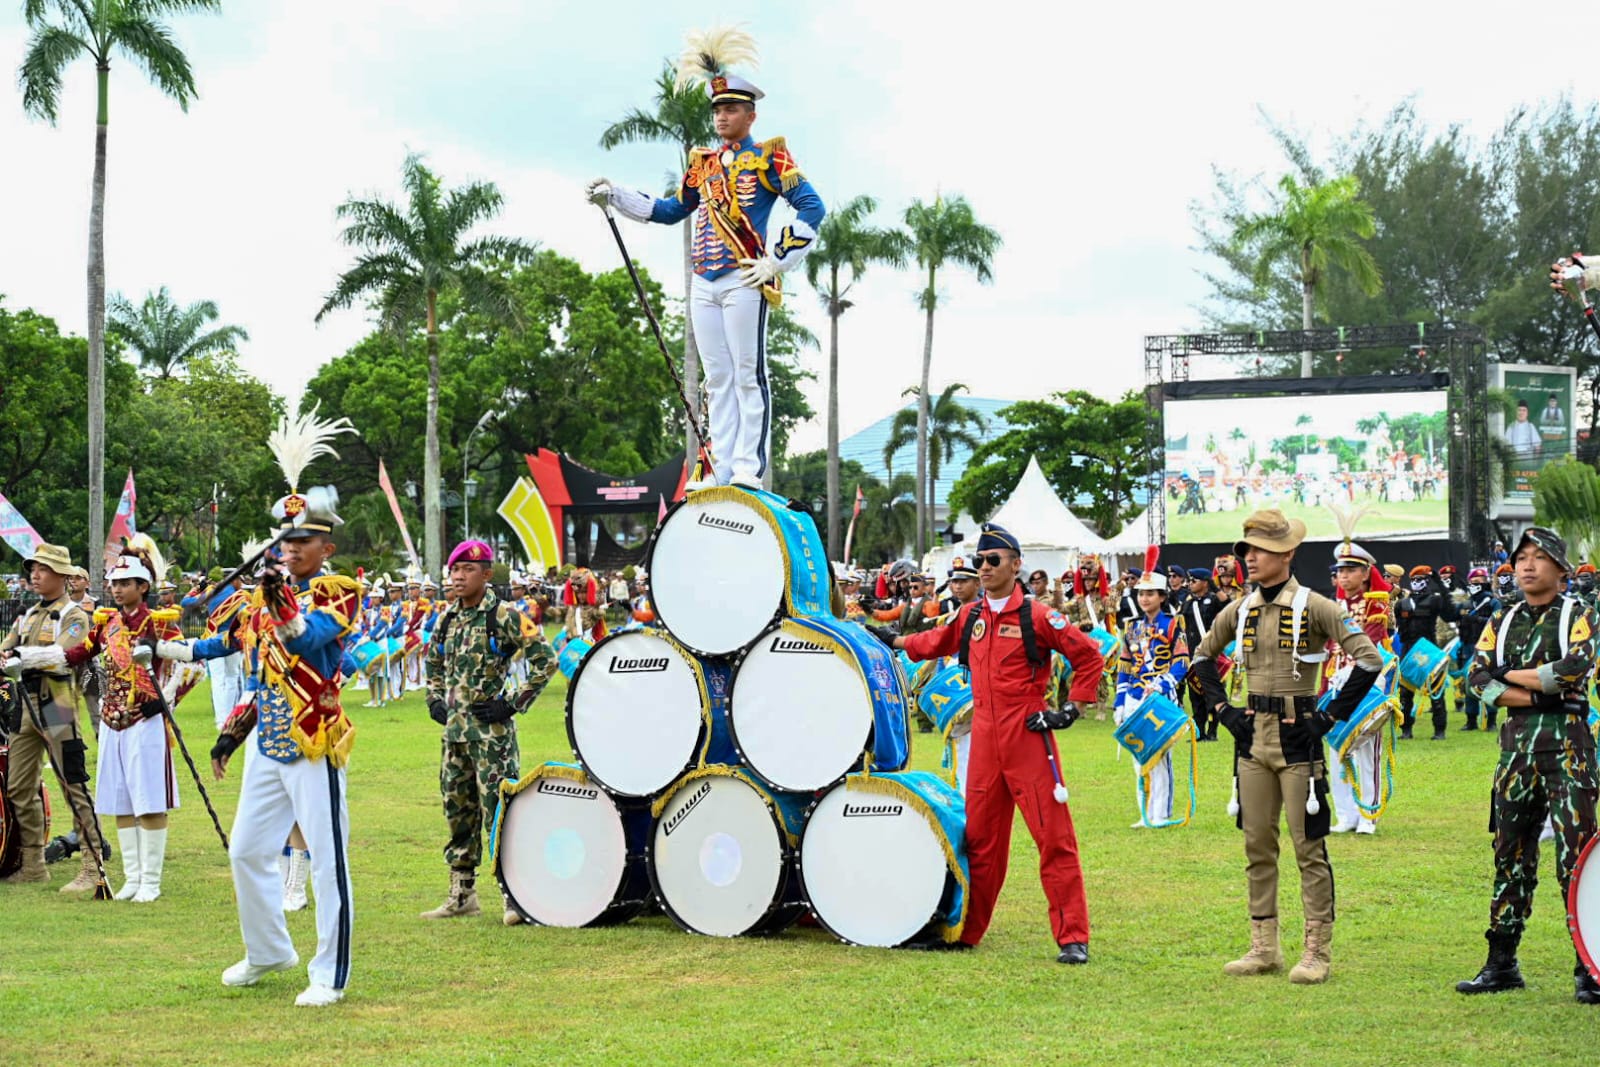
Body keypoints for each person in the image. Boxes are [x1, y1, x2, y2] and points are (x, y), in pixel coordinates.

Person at [158, 412, 360, 1008]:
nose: (292, 549)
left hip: (313, 741)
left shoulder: (337, 589)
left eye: (303, 542)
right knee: (247, 849)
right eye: (286, 541)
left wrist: (277, 599)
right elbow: (234, 645)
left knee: (327, 859)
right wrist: (168, 645)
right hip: (266, 745)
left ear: (326, 546)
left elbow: (303, 639)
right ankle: (269, 950)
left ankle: (330, 973)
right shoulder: (262, 593)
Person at [586, 26, 825, 489]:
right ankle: (717, 470)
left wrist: (776, 260)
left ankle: (747, 470)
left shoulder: (771, 159)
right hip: (704, 280)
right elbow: (674, 209)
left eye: (731, 108)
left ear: (750, 115)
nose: (721, 116)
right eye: (716, 109)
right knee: (715, 380)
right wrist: (615, 197)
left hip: (743, 277)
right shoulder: (704, 165)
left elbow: (813, 207)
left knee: (747, 374)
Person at [890, 523, 1106, 963]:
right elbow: (935, 642)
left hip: (1027, 734)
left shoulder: (1039, 616)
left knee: (1054, 838)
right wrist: (892, 639)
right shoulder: (970, 616)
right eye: (980, 562)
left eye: (993, 561)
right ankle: (966, 931)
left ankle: (1072, 938)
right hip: (985, 737)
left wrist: (1072, 708)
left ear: (1015, 564)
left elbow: (1088, 655)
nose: (984, 569)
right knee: (981, 841)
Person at [1189, 509, 1383, 985]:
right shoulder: (1239, 609)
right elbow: (1200, 656)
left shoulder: (1318, 606)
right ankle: (1264, 947)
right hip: (1252, 739)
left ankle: (1316, 951)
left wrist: (1327, 717)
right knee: (1257, 844)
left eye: (1259, 551)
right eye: (1246, 550)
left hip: (1300, 739)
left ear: (1288, 555)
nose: (1249, 558)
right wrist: (1223, 712)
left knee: (1308, 846)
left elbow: (1369, 659)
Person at [1458, 527, 1600, 1004]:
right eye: (1521, 557)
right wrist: (1533, 689)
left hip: (1569, 751)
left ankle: (1590, 965)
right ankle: (1501, 963)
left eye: (1539, 557)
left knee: (1576, 860)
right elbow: (1476, 679)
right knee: (1510, 854)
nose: (1527, 565)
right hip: (1516, 751)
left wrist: (1510, 678)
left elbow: (1575, 668)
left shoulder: (1579, 615)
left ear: (1560, 569)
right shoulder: (1503, 618)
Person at [421, 541, 556, 926]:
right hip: (455, 737)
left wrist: (512, 702)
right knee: (457, 812)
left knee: (498, 811)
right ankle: (462, 894)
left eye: (467, 570)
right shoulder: (447, 618)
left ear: (486, 573)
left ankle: (514, 896)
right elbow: (432, 662)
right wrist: (434, 698)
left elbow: (545, 660)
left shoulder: (506, 615)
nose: (458, 577)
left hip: (492, 737)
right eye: (454, 571)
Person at [63, 535, 187, 901]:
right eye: (113, 583)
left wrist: (163, 702)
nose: (116, 590)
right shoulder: (106, 623)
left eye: (124, 583)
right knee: (120, 800)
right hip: (112, 719)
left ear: (142, 587)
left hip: (146, 719)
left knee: (149, 800)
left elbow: (189, 665)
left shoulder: (161, 622)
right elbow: (77, 653)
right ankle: (132, 878)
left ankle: (151, 881)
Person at [0, 543, 105, 892]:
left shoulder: (75, 615)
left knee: (72, 783)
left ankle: (92, 864)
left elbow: (63, 655)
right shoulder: (27, 614)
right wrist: (7, 654)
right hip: (24, 703)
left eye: (43, 568)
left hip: (56, 701)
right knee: (18, 786)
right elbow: (6, 647)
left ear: (63, 575)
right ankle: (33, 863)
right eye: (33, 567)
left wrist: (19, 655)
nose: (35, 573)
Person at [1324, 523, 1393, 836]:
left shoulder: (1376, 603)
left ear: (1365, 573)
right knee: (1337, 747)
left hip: (1366, 682)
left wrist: (1351, 670)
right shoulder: (1333, 606)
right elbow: (1327, 645)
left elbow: (1374, 639)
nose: (1344, 576)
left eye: (1351, 570)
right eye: (1341, 571)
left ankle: (1369, 813)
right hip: (1335, 681)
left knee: (1367, 749)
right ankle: (1346, 815)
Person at [1114, 554, 1189, 829]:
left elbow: (1182, 661)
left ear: (1161, 595)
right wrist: (1120, 701)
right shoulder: (1131, 626)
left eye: (1150, 594)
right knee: (1139, 757)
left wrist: (1161, 683)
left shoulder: (1173, 623)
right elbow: (1124, 664)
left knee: (1159, 757)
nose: (1144, 598)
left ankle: (1161, 812)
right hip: (1135, 698)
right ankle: (1144, 812)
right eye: (1141, 594)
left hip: (1159, 699)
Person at [1394, 565, 1459, 740]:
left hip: (1428, 648)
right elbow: (1399, 628)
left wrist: (1439, 582)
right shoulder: (1402, 603)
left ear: (1427, 582)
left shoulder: (1434, 600)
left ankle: (1439, 731)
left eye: (1420, 580)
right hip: (1408, 650)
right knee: (1405, 694)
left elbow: (1451, 614)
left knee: (1436, 691)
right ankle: (1406, 730)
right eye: (1414, 580)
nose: (1416, 583)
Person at [1180, 568, 1223, 741]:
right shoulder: (1188, 602)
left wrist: (1215, 587)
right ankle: (1199, 731)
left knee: (1210, 693)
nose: (1190, 584)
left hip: (1209, 653)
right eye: (1189, 581)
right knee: (1195, 694)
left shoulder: (1213, 600)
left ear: (1205, 582)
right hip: (1192, 653)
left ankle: (1212, 731)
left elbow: (1228, 605)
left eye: (1194, 581)